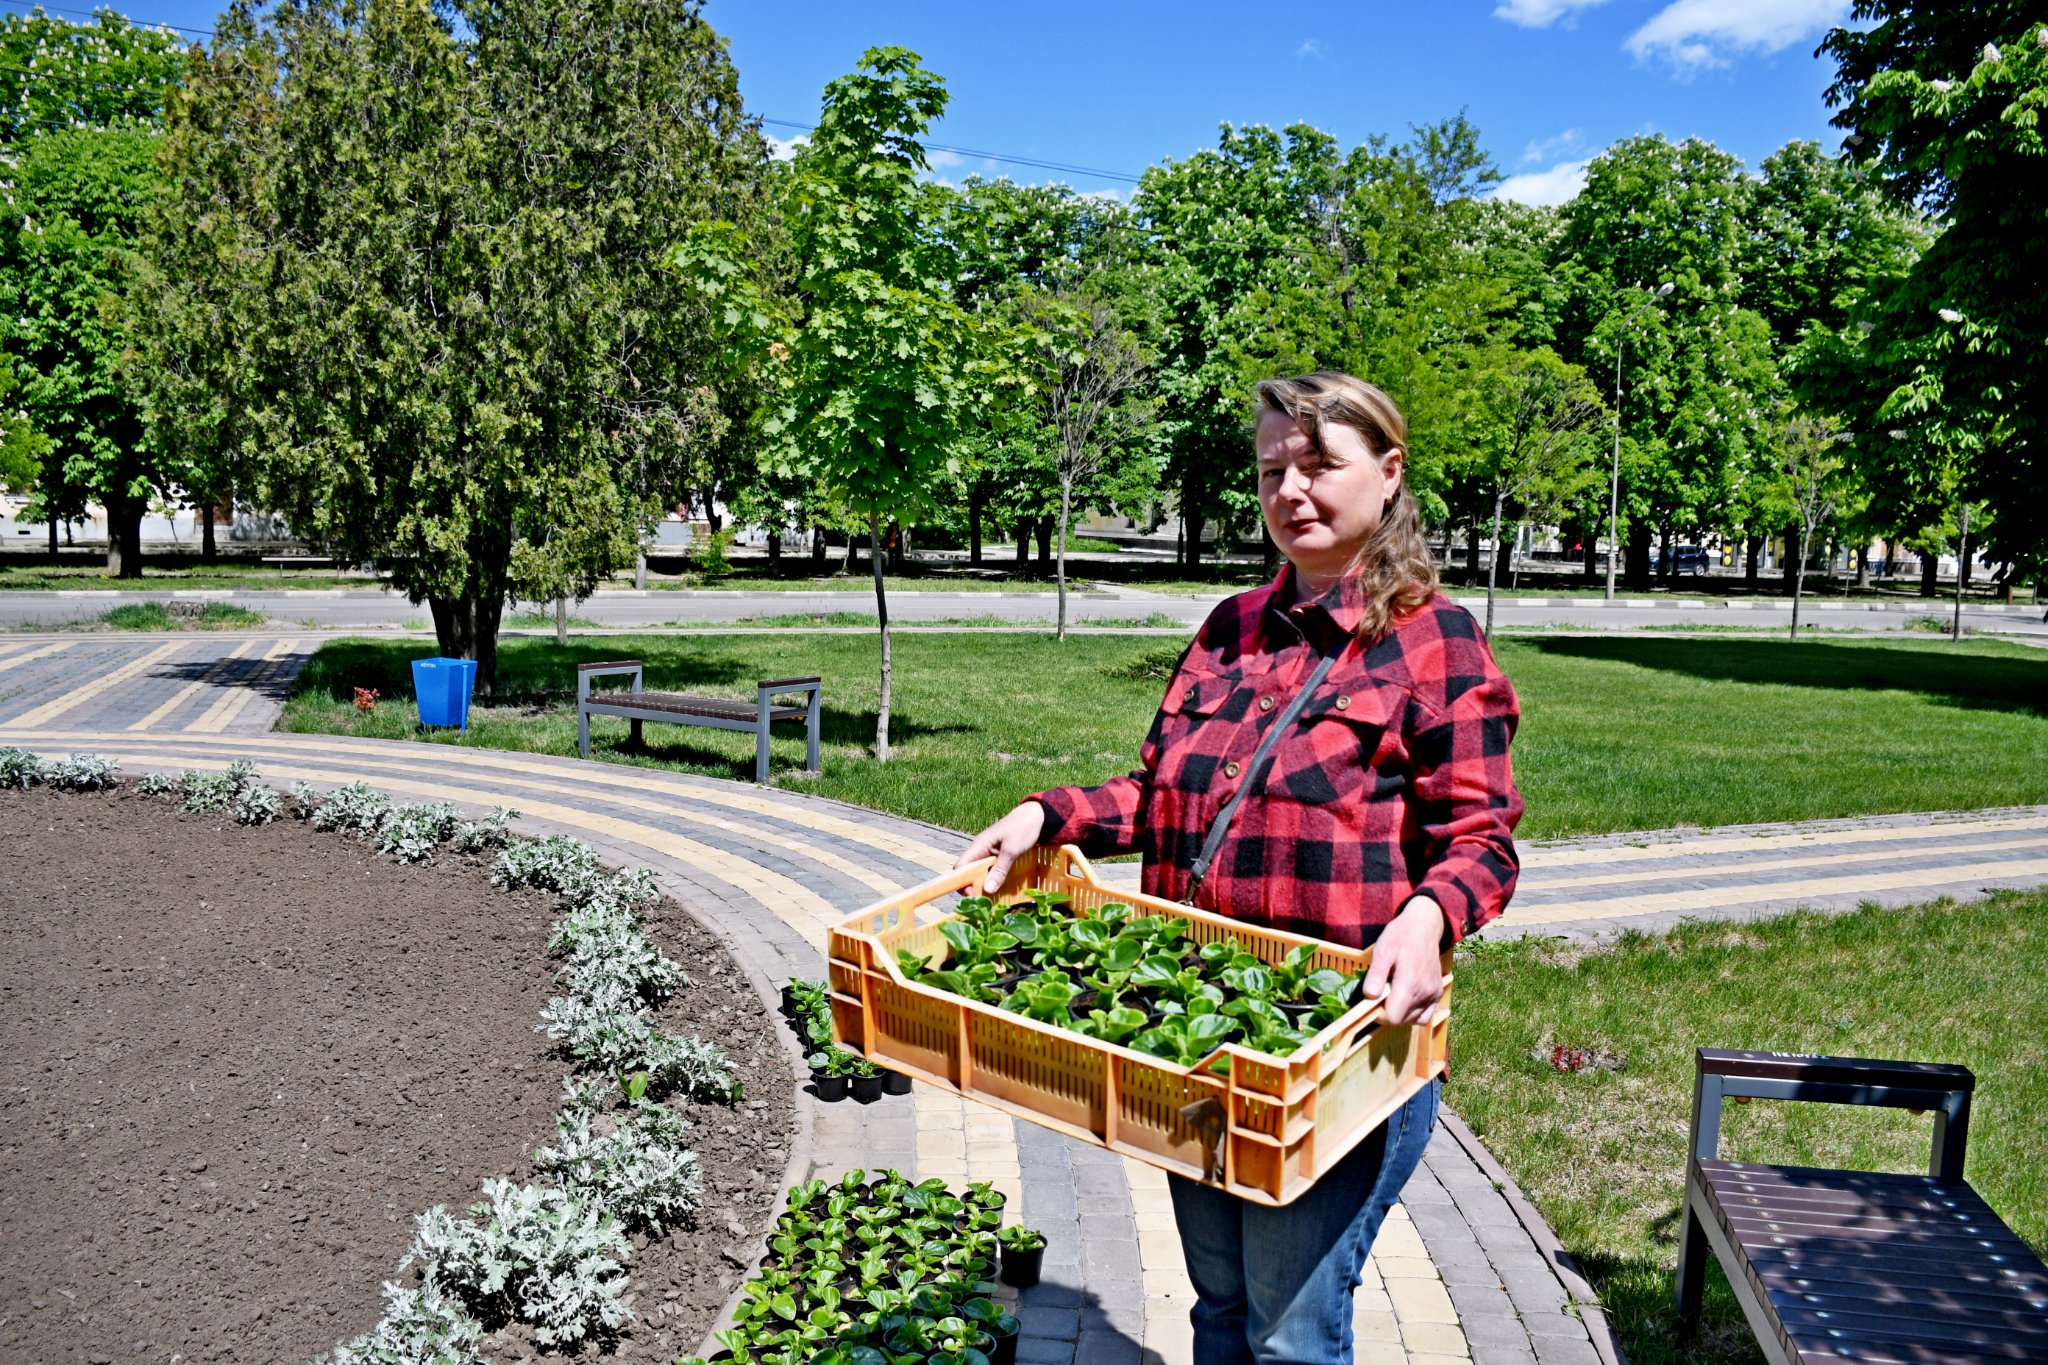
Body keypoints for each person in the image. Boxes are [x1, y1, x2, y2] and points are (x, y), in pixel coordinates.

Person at [955, 372, 1524, 1365]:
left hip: (1333, 1056)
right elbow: (1157, 793)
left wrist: (1430, 918)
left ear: (1386, 475)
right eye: (1272, 470)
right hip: (1204, 1041)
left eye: (1319, 465)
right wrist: (1045, 814)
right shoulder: (1228, 628)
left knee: (1289, 1333)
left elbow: (1481, 838)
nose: (1290, 491)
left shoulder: (1433, 643)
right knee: (1218, 1308)